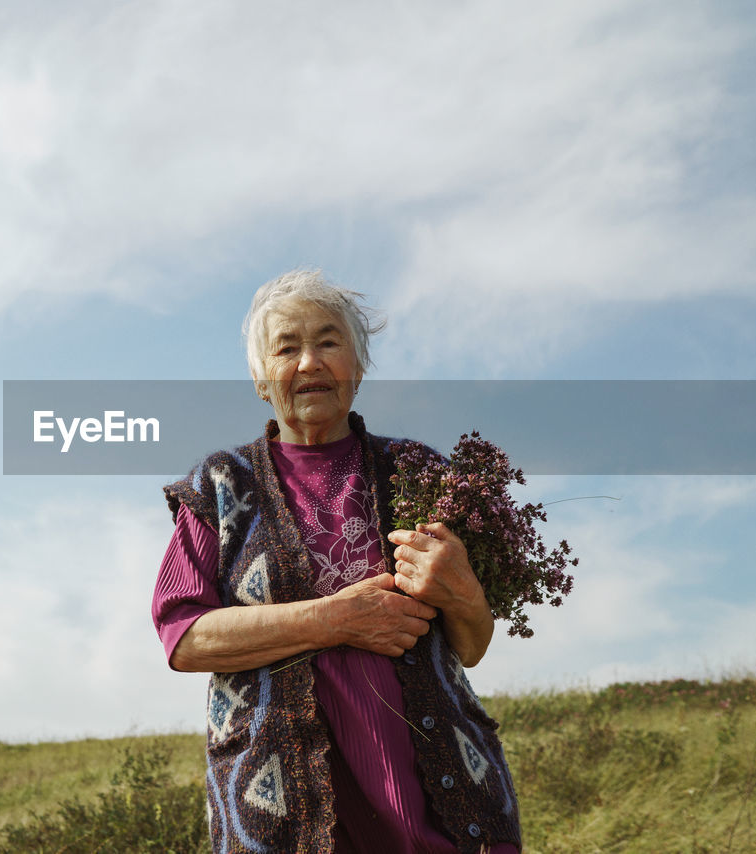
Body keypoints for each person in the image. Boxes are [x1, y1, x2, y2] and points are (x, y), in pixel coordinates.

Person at [152, 270, 521, 853]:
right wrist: (334, 619)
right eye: (287, 348)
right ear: (259, 378)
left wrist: (465, 592)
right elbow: (185, 638)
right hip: (283, 813)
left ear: (358, 365)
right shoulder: (220, 484)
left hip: (441, 803)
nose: (309, 363)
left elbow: (470, 646)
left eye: (328, 342)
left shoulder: (417, 473)